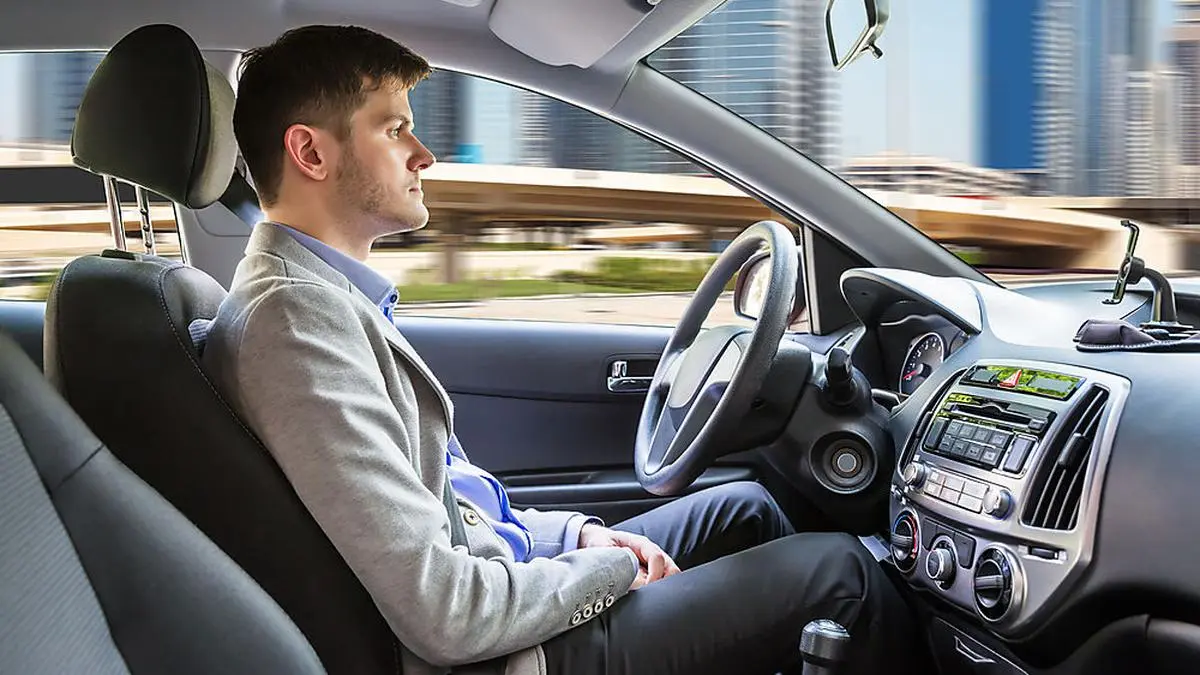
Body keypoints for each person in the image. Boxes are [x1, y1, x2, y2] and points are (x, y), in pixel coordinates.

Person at [203, 24, 918, 675]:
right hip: (512, 657)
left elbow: (452, 505)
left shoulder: (323, 297)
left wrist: (578, 533)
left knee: (748, 509)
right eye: (394, 130)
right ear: (309, 151)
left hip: (507, 589)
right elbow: (446, 614)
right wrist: (605, 571)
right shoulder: (295, 324)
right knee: (840, 573)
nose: (424, 154)